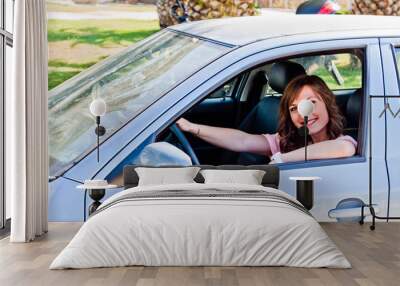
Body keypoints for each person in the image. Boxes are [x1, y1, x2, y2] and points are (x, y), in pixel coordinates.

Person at [176, 74, 357, 164]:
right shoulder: (286, 142)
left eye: (311, 103)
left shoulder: (342, 141)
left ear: (327, 102)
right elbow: (242, 141)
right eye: (294, 109)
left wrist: (281, 160)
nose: (304, 114)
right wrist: (193, 128)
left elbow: (344, 148)